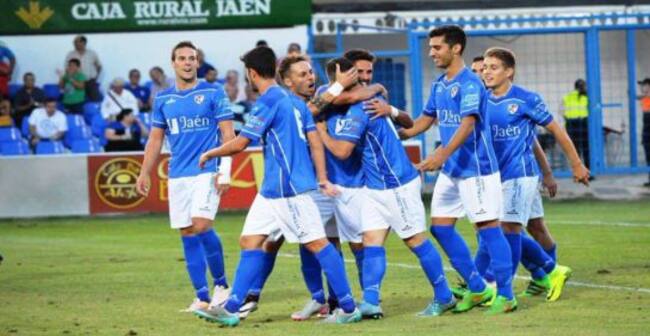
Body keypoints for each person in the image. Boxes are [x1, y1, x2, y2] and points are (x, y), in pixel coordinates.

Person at [193, 46, 361, 326]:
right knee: (251, 241)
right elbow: (315, 140)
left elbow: (241, 143)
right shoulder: (295, 103)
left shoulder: (269, 101)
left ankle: (347, 306)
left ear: (252, 73)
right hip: (272, 190)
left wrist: (211, 153)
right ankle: (232, 308)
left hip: (289, 188)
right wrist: (321, 176)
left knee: (317, 243)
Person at [315, 57, 454, 318]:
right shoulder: (340, 98)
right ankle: (370, 302)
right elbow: (323, 99)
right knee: (371, 242)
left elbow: (343, 151)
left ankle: (444, 295)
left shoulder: (363, 107)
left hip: (396, 183)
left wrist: (321, 130)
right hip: (375, 185)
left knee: (414, 240)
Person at [400, 25, 514, 315]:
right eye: (430, 47)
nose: (431, 52)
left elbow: (468, 123)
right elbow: (424, 120)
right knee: (439, 227)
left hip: (477, 168)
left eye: (437, 47)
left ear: (456, 48)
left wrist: (441, 153)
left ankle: (506, 295)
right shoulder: (439, 84)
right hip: (452, 170)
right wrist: (392, 132)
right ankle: (477, 288)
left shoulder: (470, 83)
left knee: (488, 229)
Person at [476, 47, 589, 302]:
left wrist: (575, 164)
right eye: (485, 67)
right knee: (536, 227)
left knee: (508, 229)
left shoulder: (526, 99)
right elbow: (529, 140)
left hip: (521, 174)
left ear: (509, 71)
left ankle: (497, 286)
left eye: (493, 67)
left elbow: (556, 131)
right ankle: (545, 277)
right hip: (497, 177)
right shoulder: (482, 100)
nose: (487, 72)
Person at [135, 41, 235, 314]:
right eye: (182, 58)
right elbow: (155, 140)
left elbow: (228, 135)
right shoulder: (163, 99)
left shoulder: (214, 92)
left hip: (207, 169)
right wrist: (145, 172)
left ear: (197, 63)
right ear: (174, 63)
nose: (188, 62)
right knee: (187, 232)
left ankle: (222, 287)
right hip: (178, 173)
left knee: (202, 225)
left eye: (192, 58)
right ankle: (201, 297)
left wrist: (225, 171)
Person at [562, 79, 590, 171]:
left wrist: (566, 118)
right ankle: (587, 171)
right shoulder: (587, 97)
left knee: (574, 149)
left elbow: (561, 110)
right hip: (583, 123)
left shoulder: (568, 96)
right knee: (586, 149)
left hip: (571, 124)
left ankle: (577, 171)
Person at [65, 35, 102, 101]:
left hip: (90, 82)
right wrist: (71, 78)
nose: (74, 44)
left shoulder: (92, 53)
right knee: (79, 101)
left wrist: (95, 77)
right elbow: (67, 69)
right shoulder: (71, 55)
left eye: (76, 42)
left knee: (97, 99)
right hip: (76, 82)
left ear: (83, 43)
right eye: (74, 42)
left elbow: (99, 66)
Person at [637, 77, 650, 187]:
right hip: (646, 131)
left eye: (644, 85)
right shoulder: (644, 99)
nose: (641, 87)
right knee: (648, 157)